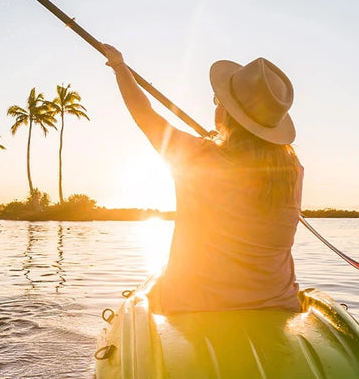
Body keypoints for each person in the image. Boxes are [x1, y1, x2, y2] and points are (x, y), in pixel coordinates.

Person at [102, 44, 303, 314]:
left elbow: (144, 113)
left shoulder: (197, 155)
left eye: (218, 101)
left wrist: (119, 66)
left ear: (227, 114)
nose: (216, 106)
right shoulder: (294, 171)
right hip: (280, 308)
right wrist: (220, 140)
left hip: (196, 307)